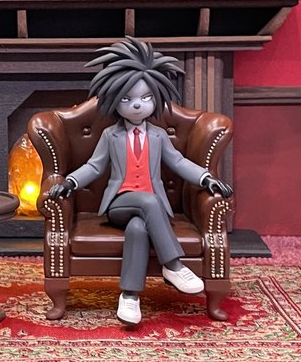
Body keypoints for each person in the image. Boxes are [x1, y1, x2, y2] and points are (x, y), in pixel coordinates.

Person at [49, 37, 233, 325]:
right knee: (147, 202)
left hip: (150, 211)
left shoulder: (158, 136)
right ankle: (173, 265)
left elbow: (179, 162)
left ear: (156, 100)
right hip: (119, 205)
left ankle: (130, 297)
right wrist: (70, 182)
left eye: (146, 98)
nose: (137, 105)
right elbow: (94, 166)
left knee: (138, 227)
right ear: (114, 102)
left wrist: (206, 178)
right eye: (127, 99)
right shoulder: (111, 135)